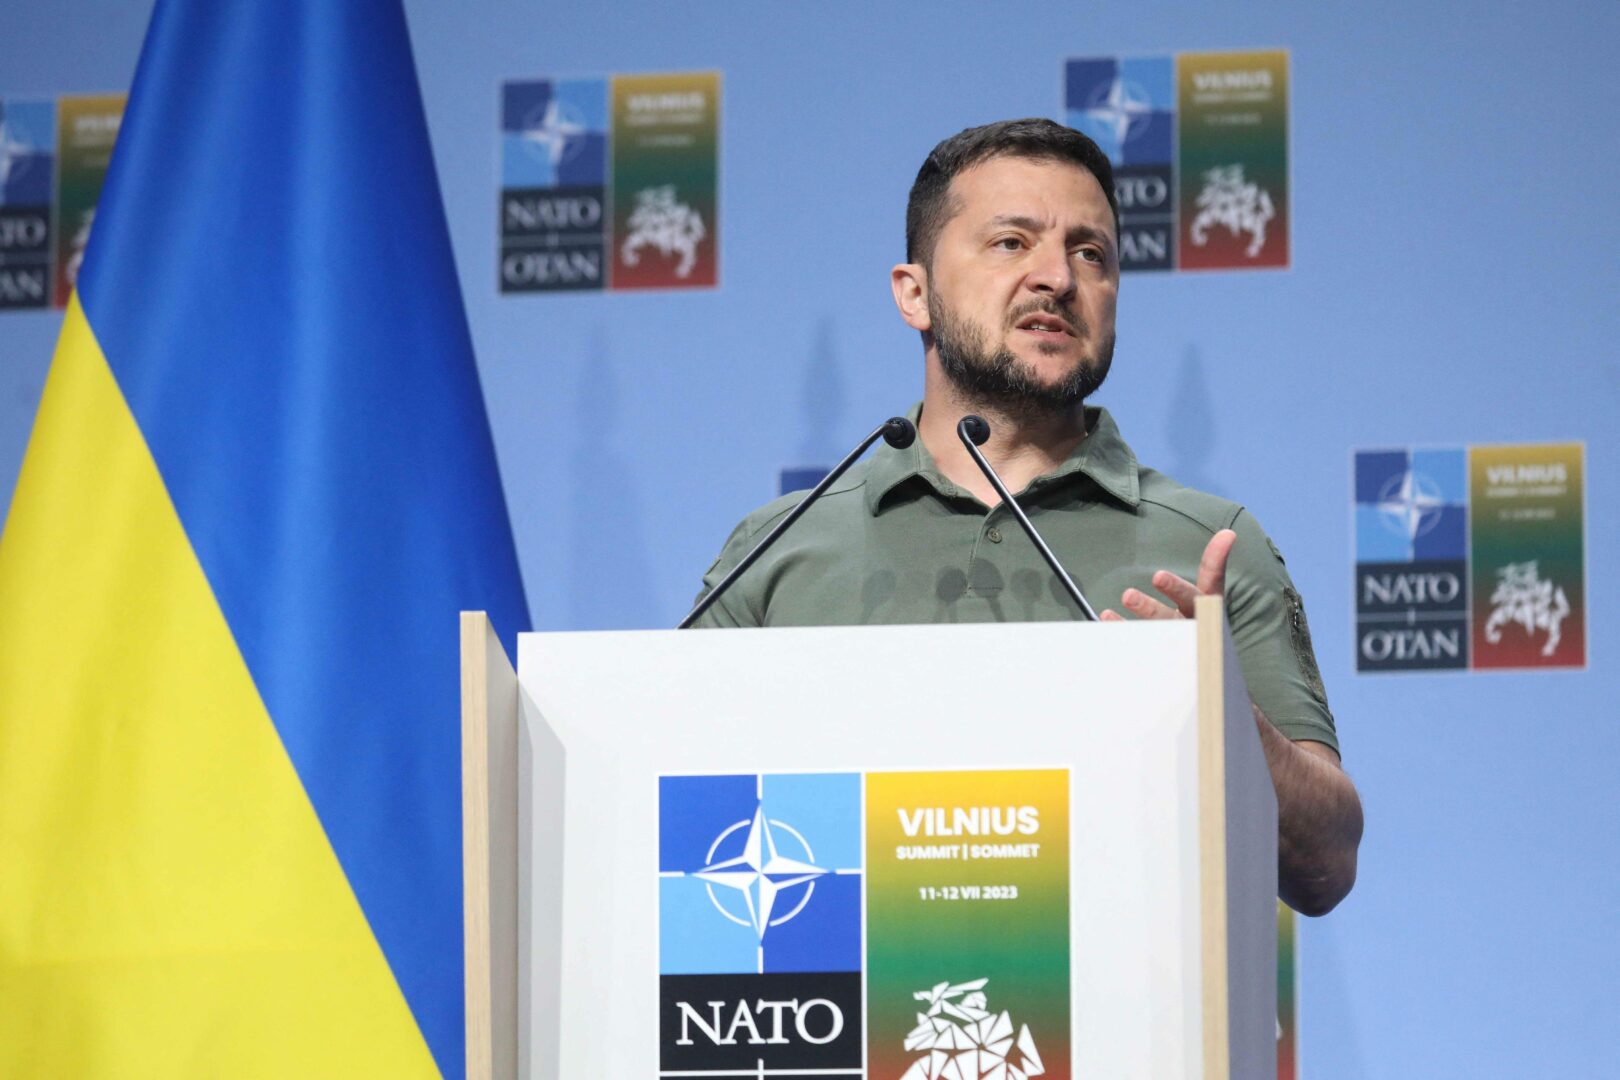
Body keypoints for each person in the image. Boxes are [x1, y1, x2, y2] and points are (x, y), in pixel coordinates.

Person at [692, 118, 1362, 916]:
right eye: (1011, 243)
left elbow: (1327, 865)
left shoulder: (1210, 546)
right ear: (914, 293)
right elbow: (676, 824)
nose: (1058, 278)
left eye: (1092, 254)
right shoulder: (777, 549)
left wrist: (1226, 722)